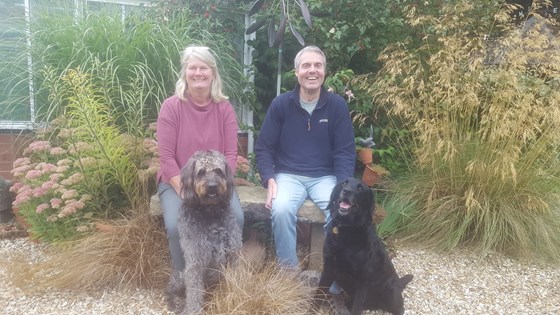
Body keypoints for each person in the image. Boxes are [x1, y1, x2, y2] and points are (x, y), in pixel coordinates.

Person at [255, 45, 356, 269]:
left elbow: (345, 151)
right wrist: (269, 179)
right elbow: (264, 147)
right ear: (296, 71)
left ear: (324, 72)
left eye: (317, 65)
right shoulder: (281, 105)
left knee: (341, 212)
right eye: (306, 65)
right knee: (280, 210)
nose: (312, 71)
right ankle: (289, 275)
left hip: (325, 177)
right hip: (288, 176)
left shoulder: (337, 106)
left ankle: (334, 276)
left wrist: (342, 185)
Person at [156, 45, 244, 272]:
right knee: (177, 227)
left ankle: (220, 276)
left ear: (212, 73)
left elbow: (231, 155)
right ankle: (183, 279)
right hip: (178, 181)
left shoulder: (224, 109)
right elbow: (165, 157)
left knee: (237, 218)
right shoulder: (171, 107)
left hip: (217, 181)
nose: (198, 73)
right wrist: (186, 191)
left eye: (203, 68)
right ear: (185, 72)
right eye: (192, 68)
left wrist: (223, 183)